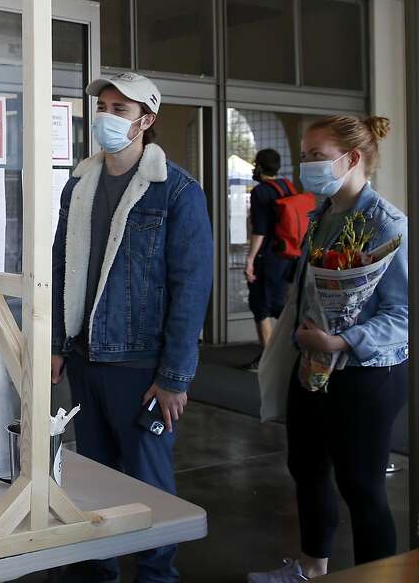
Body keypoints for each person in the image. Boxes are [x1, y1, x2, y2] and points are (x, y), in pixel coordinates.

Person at [50, 72, 213, 583]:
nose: (108, 115)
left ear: (146, 120)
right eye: (104, 105)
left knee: (148, 484)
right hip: (85, 355)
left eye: (121, 109)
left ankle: (156, 575)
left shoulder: (178, 191)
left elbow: (192, 286)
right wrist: (57, 343)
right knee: (93, 477)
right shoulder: (80, 182)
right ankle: (97, 570)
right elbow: (61, 266)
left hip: (141, 363)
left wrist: (176, 376)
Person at [249, 116, 408, 583]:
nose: (305, 165)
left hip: (365, 375)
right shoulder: (322, 215)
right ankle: (311, 568)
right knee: (307, 469)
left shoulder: (387, 223)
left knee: (362, 487)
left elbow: (403, 316)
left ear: (352, 158)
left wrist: (342, 340)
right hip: (314, 367)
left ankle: (378, 577)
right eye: (304, 154)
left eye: (315, 155)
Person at [244, 149, 298, 371]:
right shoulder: (288, 187)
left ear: (259, 166)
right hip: (290, 254)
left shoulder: (261, 192)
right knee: (279, 303)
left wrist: (250, 259)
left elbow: (260, 230)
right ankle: (290, 351)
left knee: (261, 306)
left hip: (268, 256)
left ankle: (268, 360)